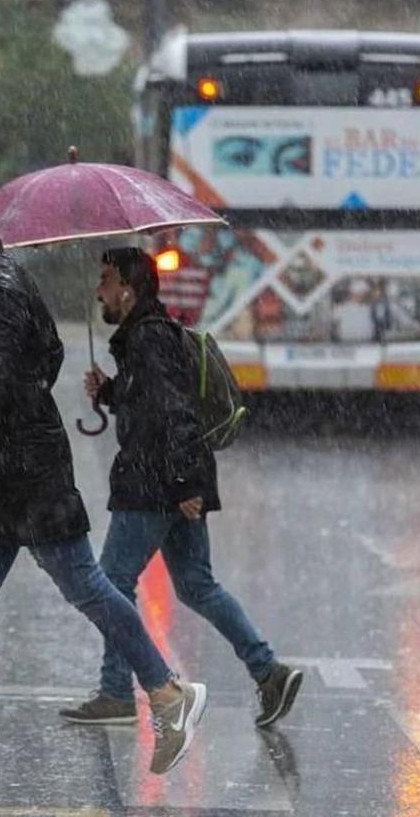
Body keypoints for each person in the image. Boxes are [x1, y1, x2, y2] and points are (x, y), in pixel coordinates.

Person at [0, 180, 207, 776]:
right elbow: (48, 353)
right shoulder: (1, 280)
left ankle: (166, 693)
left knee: (85, 588)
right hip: (3, 472)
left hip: (26, 477)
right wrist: (25, 400)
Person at [59, 247, 302, 729]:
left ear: (128, 290)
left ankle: (115, 692)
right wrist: (110, 391)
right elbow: (153, 404)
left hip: (155, 482)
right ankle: (269, 672)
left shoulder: (148, 341)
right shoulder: (144, 339)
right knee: (196, 585)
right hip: (172, 479)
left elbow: (176, 414)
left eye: (106, 280)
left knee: (109, 583)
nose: (99, 290)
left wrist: (185, 484)